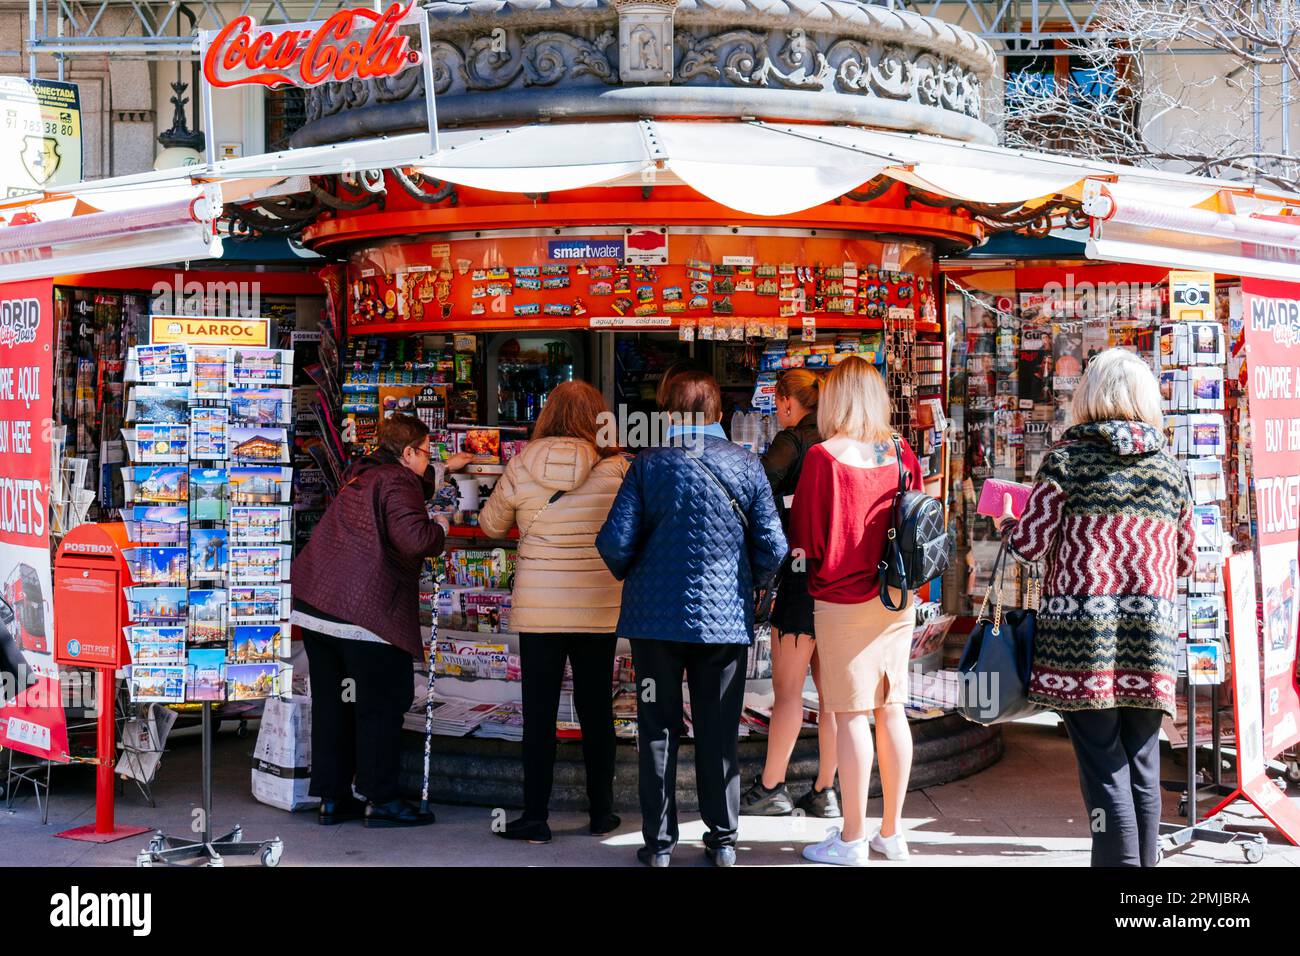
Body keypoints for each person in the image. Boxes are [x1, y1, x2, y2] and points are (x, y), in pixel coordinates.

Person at [999, 348, 1193, 867]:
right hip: (1150, 642)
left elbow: (1031, 544)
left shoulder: (1066, 461)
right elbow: (1187, 559)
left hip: (1081, 647)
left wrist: (1007, 524)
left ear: (1090, 395)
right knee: (1144, 764)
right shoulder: (1170, 472)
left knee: (1104, 768)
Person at [596, 370, 787, 867]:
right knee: (719, 729)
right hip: (723, 624)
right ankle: (723, 841)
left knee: (656, 729)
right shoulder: (746, 466)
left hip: (655, 625)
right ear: (719, 414)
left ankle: (659, 846)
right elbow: (774, 546)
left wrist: (641, 571)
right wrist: (751, 580)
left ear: (666, 414)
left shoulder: (648, 465)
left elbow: (614, 543)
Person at [291, 415, 469, 828]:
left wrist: (442, 469)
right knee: (383, 701)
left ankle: (333, 799)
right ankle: (382, 799)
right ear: (407, 453)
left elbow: (403, 499)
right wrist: (440, 524)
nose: (429, 461)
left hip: (319, 606)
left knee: (334, 705)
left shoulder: (363, 476)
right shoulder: (397, 482)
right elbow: (415, 539)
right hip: (363, 612)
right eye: (426, 453)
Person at [477, 381, 630, 844]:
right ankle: (602, 813)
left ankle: (536, 818)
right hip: (598, 606)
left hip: (541, 609)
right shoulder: (617, 467)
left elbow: (490, 525)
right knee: (596, 711)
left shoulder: (522, 464)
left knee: (538, 714)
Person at [788, 356, 923, 866]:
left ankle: (851, 839)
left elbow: (806, 536)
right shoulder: (900, 450)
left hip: (842, 600)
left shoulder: (823, 458)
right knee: (892, 711)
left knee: (850, 717)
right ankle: (892, 832)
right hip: (896, 598)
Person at [741, 369, 840, 818]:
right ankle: (826, 790)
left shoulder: (793, 441)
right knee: (834, 695)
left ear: (785, 402)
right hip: (841, 583)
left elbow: (755, 491)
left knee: (787, 692)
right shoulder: (842, 438)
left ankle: (771, 786)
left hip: (801, 581)